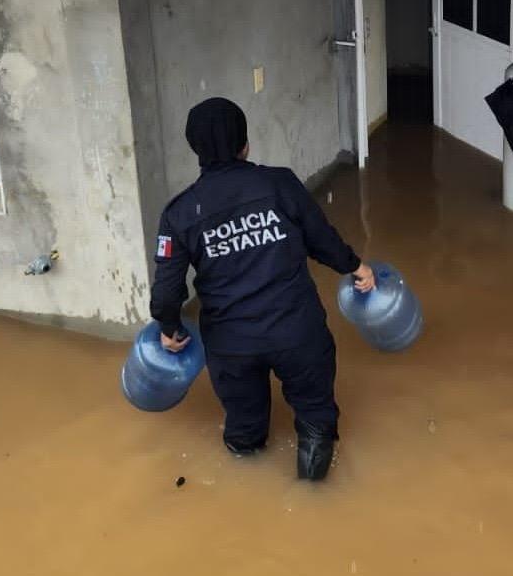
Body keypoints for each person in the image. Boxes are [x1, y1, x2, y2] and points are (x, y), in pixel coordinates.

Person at [149, 97, 374, 481]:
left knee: (244, 427)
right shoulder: (279, 183)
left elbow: (167, 291)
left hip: (231, 344)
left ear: (195, 150)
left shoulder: (180, 213)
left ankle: (247, 497)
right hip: (296, 330)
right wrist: (356, 266)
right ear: (245, 144)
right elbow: (321, 239)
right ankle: (311, 499)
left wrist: (169, 328)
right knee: (316, 419)